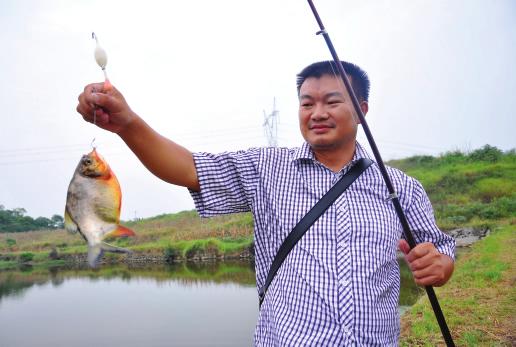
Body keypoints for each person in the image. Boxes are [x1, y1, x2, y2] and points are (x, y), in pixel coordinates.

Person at [76, 60, 455, 346]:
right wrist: (127, 123)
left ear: (361, 110)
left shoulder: (400, 186)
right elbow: (187, 168)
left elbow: (439, 247)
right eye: (307, 103)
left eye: (332, 101)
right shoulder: (266, 168)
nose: (317, 112)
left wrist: (441, 265)